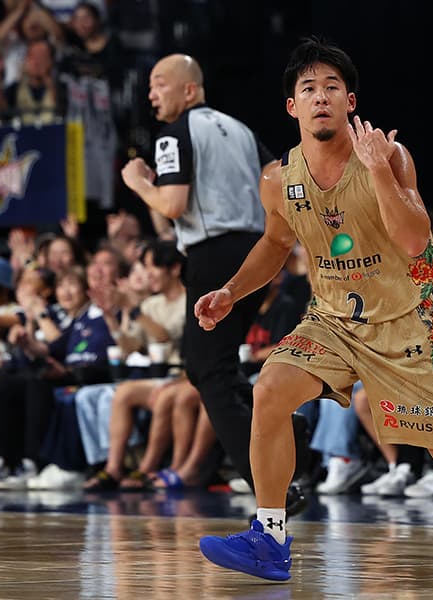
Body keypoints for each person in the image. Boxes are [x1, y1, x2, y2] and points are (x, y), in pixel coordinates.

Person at [195, 37, 433, 581]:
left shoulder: (390, 157)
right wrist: (230, 291)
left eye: (331, 87)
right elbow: (275, 243)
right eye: (308, 89)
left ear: (350, 101)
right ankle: (270, 536)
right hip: (332, 321)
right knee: (269, 389)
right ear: (292, 106)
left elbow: (413, 240)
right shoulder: (277, 179)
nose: (320, 97)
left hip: (405, 324)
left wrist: (379, 170)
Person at [119, 53, 309, 512]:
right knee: (209, 366)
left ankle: (272, 486)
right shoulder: (240, 129)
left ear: (189, 89)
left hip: (212, 256)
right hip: (256, 254)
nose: (151, 94)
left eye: (159, 84)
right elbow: (277, 178)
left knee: (210, 372)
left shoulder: (174, 133)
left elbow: (172, 204)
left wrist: (138, 182)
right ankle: (288, 427)